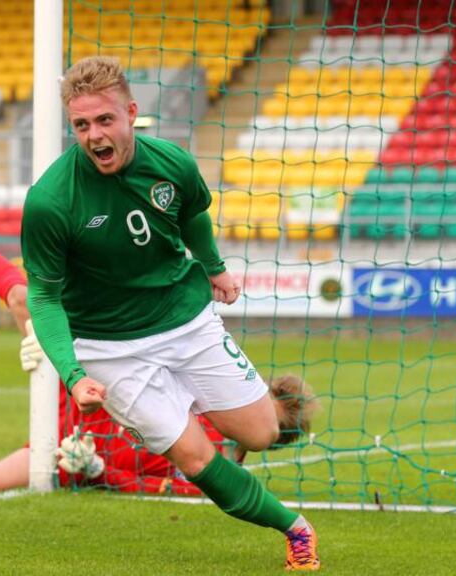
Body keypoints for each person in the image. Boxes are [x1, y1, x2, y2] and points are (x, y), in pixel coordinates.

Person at [0, 184, 317, 500]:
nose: (259, 420)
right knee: (24, 300)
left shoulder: (223, 466)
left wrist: (99, 470)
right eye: (268, 407)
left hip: (74, 449)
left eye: (273, 425)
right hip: (92, 391)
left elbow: (161, 486)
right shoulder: (218, 393)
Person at [19, 57, 320, 571]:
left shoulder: (173, 163)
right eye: (82, 125)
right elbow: (43, 299)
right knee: (196, 459)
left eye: (105, 120)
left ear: (132, 113)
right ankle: (295, 531)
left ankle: (221, 408)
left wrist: (214, 267)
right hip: (110, 350)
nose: (94, 136)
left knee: (262, 435)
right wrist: (73, 376)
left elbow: (193, 215)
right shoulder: (50, 202)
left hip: (185, 320)